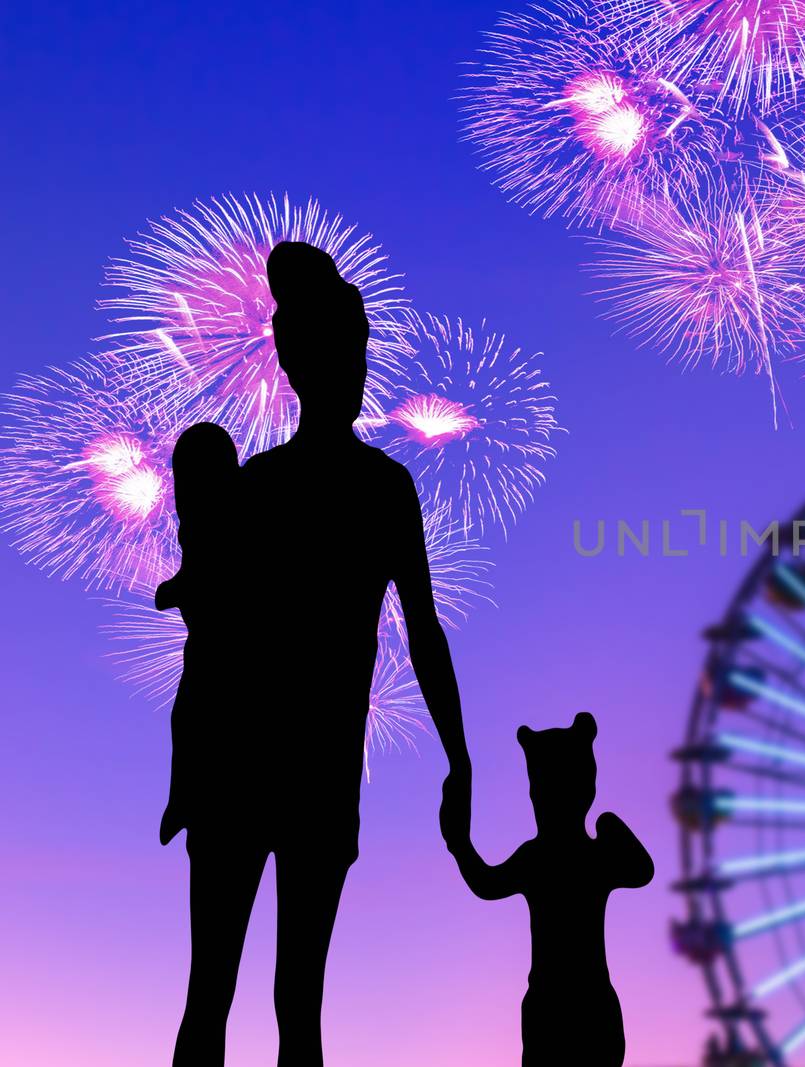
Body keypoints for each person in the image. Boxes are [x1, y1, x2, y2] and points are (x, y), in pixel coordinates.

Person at [168, 241, 472, 1067]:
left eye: (362, 350)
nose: (358, 367)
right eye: (347, 350)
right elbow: (215, 635)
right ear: (303, 363)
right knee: (245, 997)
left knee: (270, 999)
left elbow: (423, 630)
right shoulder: (332, 489)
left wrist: (462, 758)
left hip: (297, 773)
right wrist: (459, 758)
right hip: (274, 767)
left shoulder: (336, 488)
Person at [443, 712, 653, 1067]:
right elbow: (640, 870)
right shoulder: (590, 855)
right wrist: (610, 826)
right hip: (587, 1003)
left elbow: (485, 883)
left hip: (554, 1004)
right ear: (588, 789)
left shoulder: (538, 856)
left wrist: (459, 844)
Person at [155, 421, 240, 847]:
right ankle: (181, 799)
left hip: (220, 651)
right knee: (185, 717)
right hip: (206, 647)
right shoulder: (192, 526)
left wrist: (175, 591)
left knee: (189, 714)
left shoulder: (229, 522)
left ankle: (183, 799)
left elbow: (205, 577)